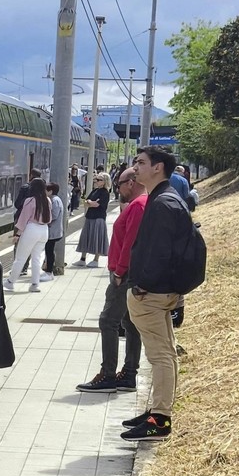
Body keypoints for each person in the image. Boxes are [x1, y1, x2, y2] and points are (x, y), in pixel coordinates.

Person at [121, 146, 191, 441]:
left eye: (140, 163)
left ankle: (160, 419)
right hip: (161, 292)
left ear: (158, 167)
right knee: (166, 353)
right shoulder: (165, 198)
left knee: (160, 355)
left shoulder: (162, 203)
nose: (135, 168)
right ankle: (156, 411)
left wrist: (142, 286)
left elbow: (160, 253)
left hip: (153, 294)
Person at [76, 167, 146, 393]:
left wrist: (119, 272)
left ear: (131, 183)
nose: (118, 188)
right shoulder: (141, 203)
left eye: (120, 184)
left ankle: (108, 375)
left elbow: (131, 243)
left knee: (108, 321)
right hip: (127, 274)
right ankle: (128, 374)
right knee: (129, 322)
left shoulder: (137, 205)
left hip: (123, 275)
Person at [3, 178, 51, 293]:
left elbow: (23, 218)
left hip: (31, 229)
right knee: (36, 258)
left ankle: (10, 282)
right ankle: (35, 284)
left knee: (21, 258)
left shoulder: (30, 201)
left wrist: (17, 234)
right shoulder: (48, 200)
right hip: (44, 230)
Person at [72, 171, 110, 268]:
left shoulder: (105, 193)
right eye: (96, 179)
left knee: (97, 238)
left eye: (99, 180)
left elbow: (97, 204)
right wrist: (90, 202)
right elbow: (85, 201)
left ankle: (96, 260)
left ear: (104, 181)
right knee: (85, 237)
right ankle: (82, 259)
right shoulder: (94, 191)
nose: (96, 181)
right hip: (90, 216)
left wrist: (90, 202)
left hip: (99, 217)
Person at [12, 169, 41, 276]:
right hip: (36, 222)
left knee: (18, 244)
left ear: (31, 175)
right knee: (30, 245)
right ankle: (25, 267)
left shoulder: (25, 188)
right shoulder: (43, 190)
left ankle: (18, 267)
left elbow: (17, 203)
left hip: (21, 218)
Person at [41, 182, 65, 280]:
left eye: (46, 190)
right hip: (54, 231)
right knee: (49, 250)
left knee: (49, 251)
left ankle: (49, 272)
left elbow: (54, 215)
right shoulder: (55, 199)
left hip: (53, 231)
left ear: (50, 191)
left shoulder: (55, 200)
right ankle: (48, 270)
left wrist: (44, 220)